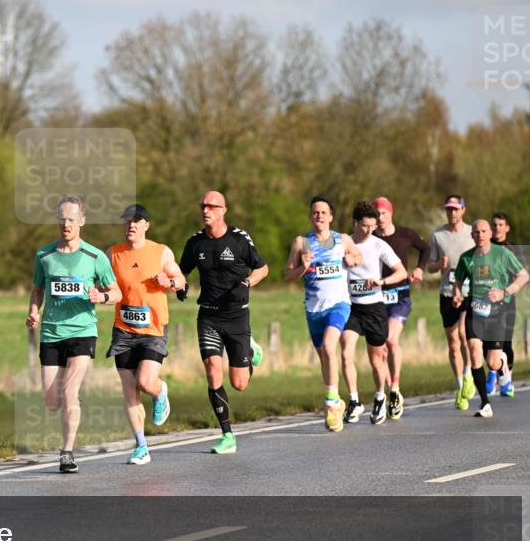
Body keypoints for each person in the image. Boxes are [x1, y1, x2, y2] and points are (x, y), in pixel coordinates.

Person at [27, 195, 121, 473]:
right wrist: (33, 311)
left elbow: (116, 292)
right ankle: (73, 401)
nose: (66, 224)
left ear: (82, 221)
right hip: (51, 332)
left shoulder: (95, 256)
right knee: (52, 402)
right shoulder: (44, 256)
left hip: (83, 331)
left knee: (69, 392)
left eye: (71, 219)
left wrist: (101, 297)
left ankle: (66, 453)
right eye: (62, 219)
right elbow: (37, 290)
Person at [178, 190, 268, 454]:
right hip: (208, 316)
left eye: (212, 206)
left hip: (237, 315)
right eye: (203, 206)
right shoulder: (195, 243)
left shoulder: (239, 239)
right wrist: (180, 286)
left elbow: (262, 268)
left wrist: (247, 282)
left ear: (223, 210)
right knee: (212, 369)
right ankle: (227, 435)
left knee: (239, 383)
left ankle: (249, 348)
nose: (206, 210)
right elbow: (181, 272)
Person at [106, 204, 186, 465]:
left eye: (137, 221)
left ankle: (160, 391)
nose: (131, 225)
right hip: (123, 330)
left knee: (145, 382)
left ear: (146, 225)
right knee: (130, 390)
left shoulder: (161, 252)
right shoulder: (113, 254)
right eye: (128, 221)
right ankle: (141, 446)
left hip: (153, 330)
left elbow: (181, 281)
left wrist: (169, 282)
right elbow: (104, 283)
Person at [283, 196, 363, 432]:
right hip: (313, 309)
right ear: (311, 216)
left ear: (331, 217)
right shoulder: (302, 243)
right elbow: (288, 275)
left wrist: (352, 259)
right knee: (325, 358)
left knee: (330, 347)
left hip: (338, 305)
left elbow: (357, 256)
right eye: (315, 212)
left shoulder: (342, 239)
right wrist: (303, 267)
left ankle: (331, 403)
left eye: (323, 212)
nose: (319, 215)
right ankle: (336, 401)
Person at [452, 219, 529, 417]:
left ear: (490, 234)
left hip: (497, 312)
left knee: (493, 363)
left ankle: (502, 365)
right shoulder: (466, 258)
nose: (480, 235)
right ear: (472, 235)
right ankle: (485, 404)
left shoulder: (502, 253)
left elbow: (523, 276)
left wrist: (505, 292)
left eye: (484, 231)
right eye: (476, 232)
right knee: (474, 350)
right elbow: (458, 281)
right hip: (475, 310)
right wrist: (457, 295)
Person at [341, 201, 408, 424]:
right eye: (365, 226)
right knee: (345, 353)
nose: (370, 230)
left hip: (374, 308)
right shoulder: (344, 244)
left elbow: (401, 272)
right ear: (355, 222)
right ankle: (354, 400)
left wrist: (382, 281)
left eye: (373, 226)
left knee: (376, 360)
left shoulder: (379, 245)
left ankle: (380, 396)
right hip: (352, 307)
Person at [374, 196, 430, 419]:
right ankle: (391, 390)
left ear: (391, 214)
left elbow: (425, 249)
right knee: (380, 349)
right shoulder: (370, 239)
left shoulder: (406, 234)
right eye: (377, 214)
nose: (380, 218)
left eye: (384, 213)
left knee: (391, 340)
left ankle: (395, 388)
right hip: (377, 298)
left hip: (400, 297)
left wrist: (419, 269)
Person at [427, 195, 476, 410]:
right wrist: (439, 264)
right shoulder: (437, 235)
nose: (452, 213)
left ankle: (468, 375)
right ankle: (460, 386)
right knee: (453, 343)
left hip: (468, 292)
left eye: (456, 209)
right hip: (447, 293)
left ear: (463, 210)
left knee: (464, 335)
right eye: (449, 209)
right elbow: (429, 267)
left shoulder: (472, 233)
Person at [488, 212, 523, 397]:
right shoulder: (485, 246)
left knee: (506, 342)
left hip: (507, 301)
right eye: (494, 225)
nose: (497, 228)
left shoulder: (513, 248)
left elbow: (520, 274)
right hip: (487, 302)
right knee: (488, 341)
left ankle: (507, 379)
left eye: (501, 225)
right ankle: (494, 374)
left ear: (507, 228)